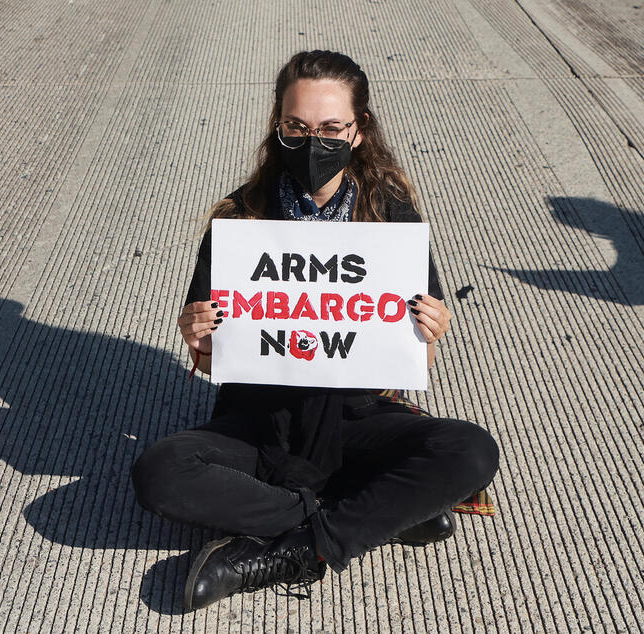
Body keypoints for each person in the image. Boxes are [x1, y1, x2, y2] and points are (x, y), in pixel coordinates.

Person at [130, 50, 499, 611]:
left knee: (470, 451)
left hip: (357, 417)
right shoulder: (239, 222)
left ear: (359, 130)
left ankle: (298, 548)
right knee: (160, 472)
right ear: (278, 124)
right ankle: (368, 519)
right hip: (259, 421)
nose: (312, 142)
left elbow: (411, 364)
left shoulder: (390, 218)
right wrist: (198, 336)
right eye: (296, 127)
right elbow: (212, 359)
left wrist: (430, 331)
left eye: (331, 128)